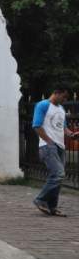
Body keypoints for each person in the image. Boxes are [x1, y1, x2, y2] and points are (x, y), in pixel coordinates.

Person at [33, 87, 78, 216]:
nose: (65, 100)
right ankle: (40, 200)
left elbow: (62, 128)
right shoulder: (43, 105)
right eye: (63, 97)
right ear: (56, 93)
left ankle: (52, 207)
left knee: (58, 177)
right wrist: (48, 141)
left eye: (66, 98)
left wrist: (72, 134)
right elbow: (36, 125)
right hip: (48, 146)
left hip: (60, 146)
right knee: (58, 174)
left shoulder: (61, 109)